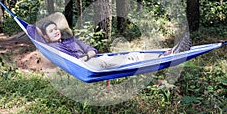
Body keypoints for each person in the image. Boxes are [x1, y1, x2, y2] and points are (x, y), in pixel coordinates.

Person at [38, 20, 191, 68]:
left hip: (91, 60)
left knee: (133, 55)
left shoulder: (71, 40)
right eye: (51, 31)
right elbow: (35, 34)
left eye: (55, 29)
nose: (56, 31)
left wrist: (85, 57)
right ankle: (168, 55)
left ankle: (167, 53)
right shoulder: (51, 47)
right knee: (131, 59)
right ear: (46, 36)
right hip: (88, 67)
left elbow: (92, 50)